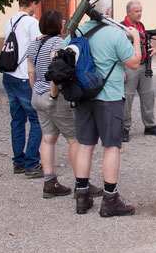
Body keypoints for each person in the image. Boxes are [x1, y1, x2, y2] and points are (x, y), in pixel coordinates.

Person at [67, 0, 142, 217]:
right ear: (107, 12)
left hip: (83, 97)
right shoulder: (114, 34)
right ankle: (110, 199)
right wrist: (136, 38)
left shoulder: (76, 32)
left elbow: (59, 54)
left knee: (85, 145)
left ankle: (82, 196)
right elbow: (134, 63)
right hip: (108, 98)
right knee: (111, 146)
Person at [26, 10, 101, 199]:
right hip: (53, 97)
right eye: (62, 21)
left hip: (37, 95)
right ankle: (81, 183)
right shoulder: (57, 43)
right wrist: (52, 94)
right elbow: (56, 71)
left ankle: (49, 181)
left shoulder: (34, 44)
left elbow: (30, 71)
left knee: (48, 138)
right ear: (57, 24)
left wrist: (36, 91)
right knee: (74, 139)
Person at [2, 0, 43, 178]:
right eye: (37, 5)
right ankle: (31, 163)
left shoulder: (9, 22)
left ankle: (18, 162)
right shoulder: (31, 23)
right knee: (36, 120)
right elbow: (38, 48)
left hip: (8, 75)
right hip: (23, 76)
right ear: (34, 3)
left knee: (17, 120)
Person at [120, 0, 156, 142]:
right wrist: (121, 69)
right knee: (127, 98)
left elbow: (143, 43)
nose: (140, 14)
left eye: (140, 11)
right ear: (128, 12)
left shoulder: (140, 26)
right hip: (129, 66)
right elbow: (117, 50)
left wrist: (153, 49)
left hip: (144, 65)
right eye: (136, 11)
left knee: (148, 96)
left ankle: (150, 125)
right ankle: (124, 128)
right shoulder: (121, 28)